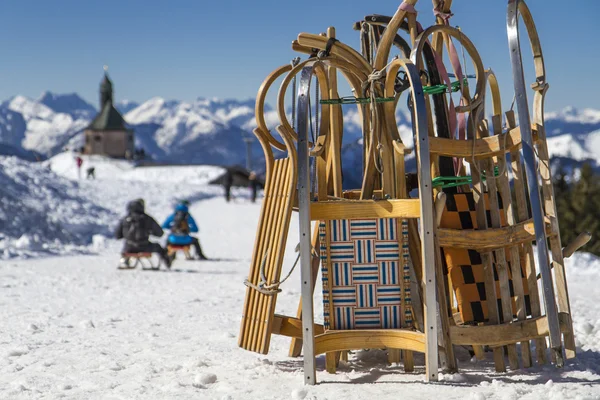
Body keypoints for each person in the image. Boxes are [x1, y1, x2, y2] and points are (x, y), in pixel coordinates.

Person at [115, 199, 172, 267]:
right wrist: (150, 232)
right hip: (145, 247)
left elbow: (117, 235)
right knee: (158, 247)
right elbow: (160, 233)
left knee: (126, 244)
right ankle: (167, 263)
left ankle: (125, 260)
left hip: (129, 248)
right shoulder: (147, 218)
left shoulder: (124, 219)